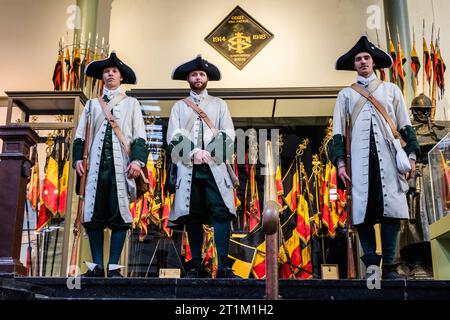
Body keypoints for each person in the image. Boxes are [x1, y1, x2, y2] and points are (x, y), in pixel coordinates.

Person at [329, 35, 420, 279]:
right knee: (363, 214)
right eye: (358, 59)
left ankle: (389, 266)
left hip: (389, 160)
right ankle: (371, 266)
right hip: (359, 164)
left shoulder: (391, 90)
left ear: (374, 62)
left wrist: (411, 156)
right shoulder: (345, 95)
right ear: (354, 65)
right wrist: (340, 164)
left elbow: (405, 126)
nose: (362, 62)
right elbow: (337, 132)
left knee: (391, 212)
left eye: (366, 57)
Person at [73, 51, 148, 278]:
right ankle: (96, 266)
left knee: (120, 216)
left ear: (121, 77)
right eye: (106, 71)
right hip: (95, 168)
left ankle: (114, 267)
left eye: (114, 71)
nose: (110, 74)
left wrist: (137, 161)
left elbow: (140, 136)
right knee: (92, 217)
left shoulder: (131, 103)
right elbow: (79, 136)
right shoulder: (92, 105)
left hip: (121, 167)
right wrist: (78, 159)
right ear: (102, 77)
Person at [167, 55, 236, 278]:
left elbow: (229, 134)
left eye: (202, 74)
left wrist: (210, 153)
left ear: (207, 79)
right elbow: (173, 136)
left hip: (215, 169)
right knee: (193, 216)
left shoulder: (219, 104)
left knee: (222, 213)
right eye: (194, 74)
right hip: (189, 169)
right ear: (188, 78)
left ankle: (223, 266)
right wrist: (194, 152)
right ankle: (196, 265)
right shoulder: (179, 107)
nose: (198, 77)